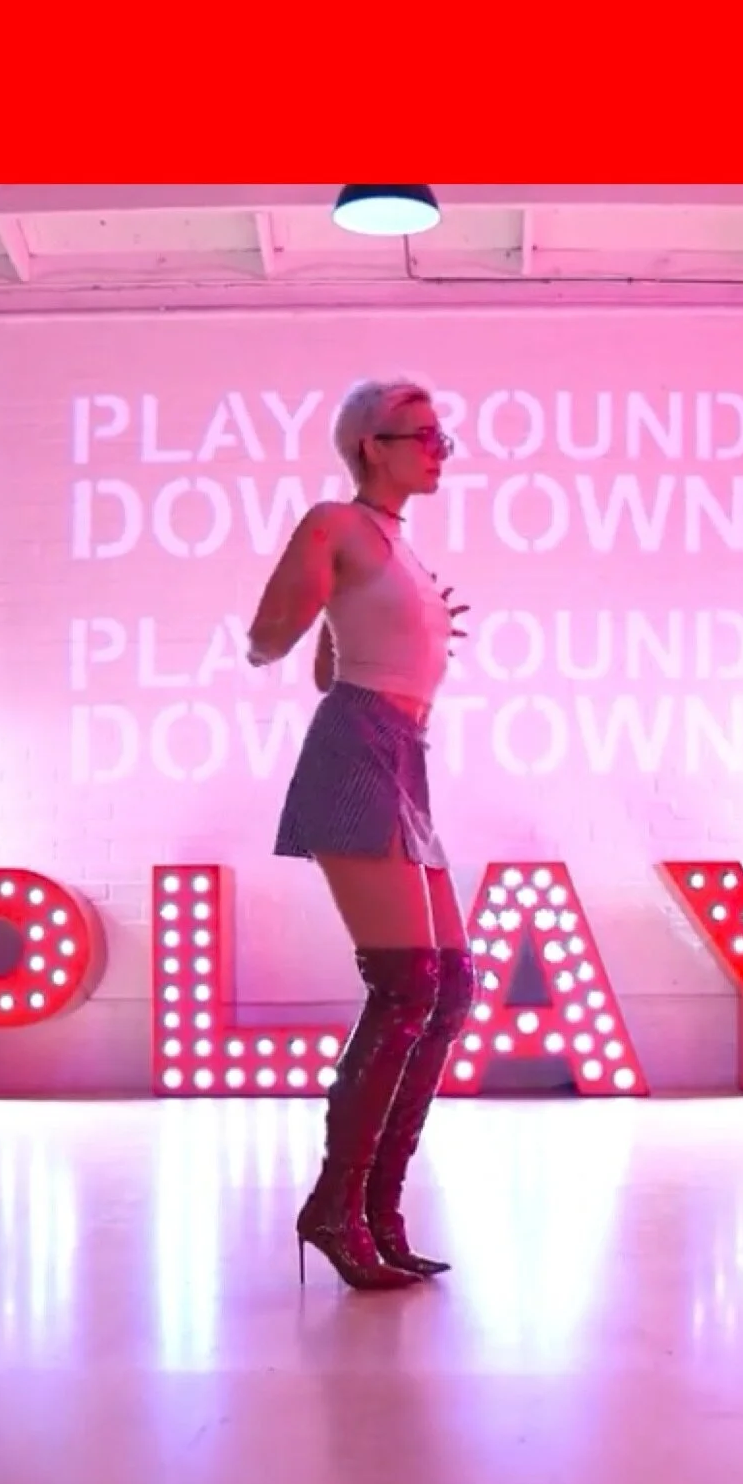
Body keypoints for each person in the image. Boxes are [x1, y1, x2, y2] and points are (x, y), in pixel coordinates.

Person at [244, 378, 472, 1291]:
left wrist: (377, 620)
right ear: (371, 445)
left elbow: (333, 655)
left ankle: (379, 1210)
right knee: (409, 984)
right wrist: (318, 603)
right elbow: (267, 639)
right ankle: (335, 1209)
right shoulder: (334, 524)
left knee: (449, 986)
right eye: (423, 434)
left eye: (443, 435)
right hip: (358, 749)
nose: (440, 449)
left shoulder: (396, 544)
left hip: (404, 752)